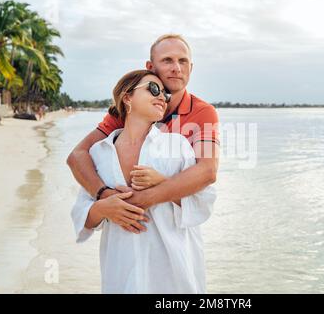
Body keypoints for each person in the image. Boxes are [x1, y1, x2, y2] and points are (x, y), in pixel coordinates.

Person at [71, 70, 216, 293]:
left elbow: (204, 201)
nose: (162, 98)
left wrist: (164, 183)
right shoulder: (99, 153)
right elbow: (84, 219)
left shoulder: (176, 145)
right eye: (154, 89)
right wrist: (103, 207)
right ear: (127, 97)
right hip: (120, 272)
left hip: (174, 276)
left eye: (165, 95)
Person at [67, 34, 220, 235]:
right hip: (126, 232)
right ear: (150, 66)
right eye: (167, 60)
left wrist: (144, 199)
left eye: (183, 61)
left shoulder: (203, 112)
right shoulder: (129, 111)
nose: (177, 68)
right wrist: (106, 196)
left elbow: (207, 171)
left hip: (174, 229)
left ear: (191, 68)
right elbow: (78, 155)